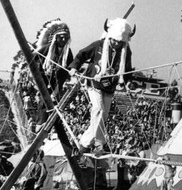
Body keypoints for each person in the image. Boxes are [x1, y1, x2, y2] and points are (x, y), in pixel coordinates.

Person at [69, 18, 135, 155]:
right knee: (98, 110)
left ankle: (99, 143)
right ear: (110, 37)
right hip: (94, 82)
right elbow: (81, 55)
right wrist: (74, 67)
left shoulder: (126, 51)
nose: (117, 44)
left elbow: (127, 70)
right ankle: (85, 143)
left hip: (110, 86)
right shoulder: (98, 45)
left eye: (120, 42)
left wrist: (127, 82)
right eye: (115, 40)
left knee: (103, 116)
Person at [33, 19, 74, 132]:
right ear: (56, 37)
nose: (63, 39)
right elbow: (33, 58)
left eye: (65, 37)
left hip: (58, 81)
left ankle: (50, 127)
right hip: (44, 78)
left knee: (54, 101)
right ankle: (40, 124)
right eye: (60, 37)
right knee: (44, 100)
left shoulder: (68, 52)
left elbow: (70, 67)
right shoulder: (47, 48)